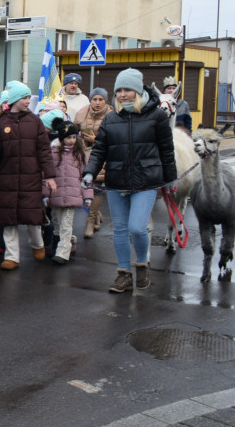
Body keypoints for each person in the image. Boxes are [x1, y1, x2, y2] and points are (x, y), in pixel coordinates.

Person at [82, 68, 177, 293]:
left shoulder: (157, 117)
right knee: (120, 230)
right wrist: (89, 173)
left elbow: (167, 151)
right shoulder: (111, 118)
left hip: (146, 181)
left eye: (128, 90)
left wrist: (170, 179)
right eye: (119, 90)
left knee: (137, 227)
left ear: (138, 91)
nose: (123, 94)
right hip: (116, 181)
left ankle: (142, 263)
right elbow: (100, 150)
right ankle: (123, 274)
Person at [0, 81, 57, 271]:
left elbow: (44, 151)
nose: (28, 101)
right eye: (25, 98)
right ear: (16, 99)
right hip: (7, 177)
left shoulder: (35, 121)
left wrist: (49, 176)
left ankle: (37, 244)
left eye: (28, 97)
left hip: (30, 176)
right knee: (8, 219)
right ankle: (11, 256)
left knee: (33, 216)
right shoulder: (0, 121)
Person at [44, 118, 93, 265]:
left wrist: (88, 195)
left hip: (73, 195)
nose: (71, 140)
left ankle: (62, 252)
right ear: (61, 138)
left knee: (66, 223)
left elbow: (86, 175)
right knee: (57, 223)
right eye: (68, 137)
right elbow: (45, 175)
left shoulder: (80, 154)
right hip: (56, 194)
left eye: (73, 137)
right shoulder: (52, 153)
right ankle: (70, 241)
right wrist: (45, 194)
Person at [73, 87, 112, 237]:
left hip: (103, 156)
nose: (97, 102)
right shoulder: (82, 113)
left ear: (105, 100)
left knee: (95, 189)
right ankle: (96, 213)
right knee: (82, 188)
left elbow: (116, 138)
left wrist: (96, 140)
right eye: (94, 99)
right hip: (84, 155)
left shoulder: (112, 115)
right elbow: (73, 130)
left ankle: (90, 223)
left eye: (100, 99)